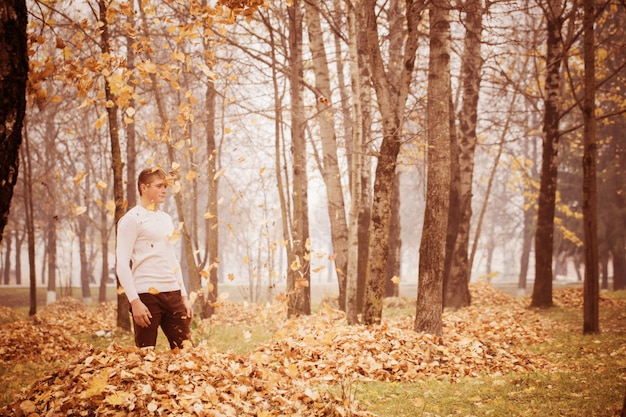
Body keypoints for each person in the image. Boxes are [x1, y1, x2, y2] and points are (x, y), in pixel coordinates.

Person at [116, 167, 193, 349]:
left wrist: (184, 295)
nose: (164, 190)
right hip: (146, 296)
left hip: (172, 292)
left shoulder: (166, 218)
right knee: (146, 356)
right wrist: (135, 302)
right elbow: (122, 264)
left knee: (187, 353)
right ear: (144, 188)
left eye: (165, 186)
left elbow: (172, 259)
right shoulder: (131, 219)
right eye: (159, 186)